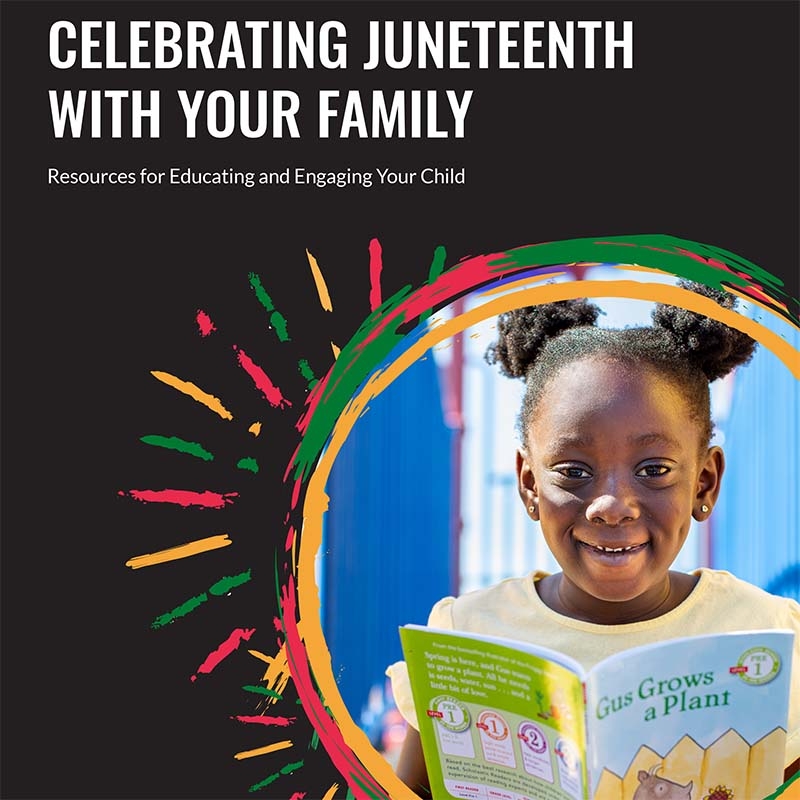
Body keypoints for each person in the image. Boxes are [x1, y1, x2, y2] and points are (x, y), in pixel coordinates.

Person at [386, 280, 800, 797]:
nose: (611, 505)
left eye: (654, 469)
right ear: (530, 484)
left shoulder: (766, 634)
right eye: (573, 471)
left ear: (705, 482)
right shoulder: (467, 636)